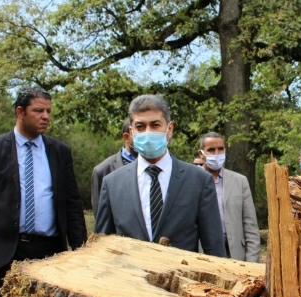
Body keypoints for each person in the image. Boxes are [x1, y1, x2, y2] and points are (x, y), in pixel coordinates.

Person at [0, 87, 87, 297]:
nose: (46, 116)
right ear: (20, 112)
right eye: (38, 111)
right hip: (7, 251)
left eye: (48, 111)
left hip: (50, 251)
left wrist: (81, 251)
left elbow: (72, 204)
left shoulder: (59, 152)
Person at [95, 94, 226, 257]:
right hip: (128, 279)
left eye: (155, 125)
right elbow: (102, 249)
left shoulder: (198, 181)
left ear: (169, 129)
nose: (148, 132)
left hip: (182, 279)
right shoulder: (113, 184)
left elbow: (214, 248)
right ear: (131, 132)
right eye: (140, 126)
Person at [198, 132, 261, 262]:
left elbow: (251, 227)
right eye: (211, 150)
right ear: (201, 154)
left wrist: (252, 263)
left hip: (236, 255)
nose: (217, 154)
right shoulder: (192, 181)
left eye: (220, 149)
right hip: (203, 257)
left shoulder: (240, 181)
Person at [91, 118, 137, 217]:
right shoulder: (102, 171)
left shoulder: (156, 166)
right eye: (139, 132)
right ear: (126, 137)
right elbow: (100, 217)